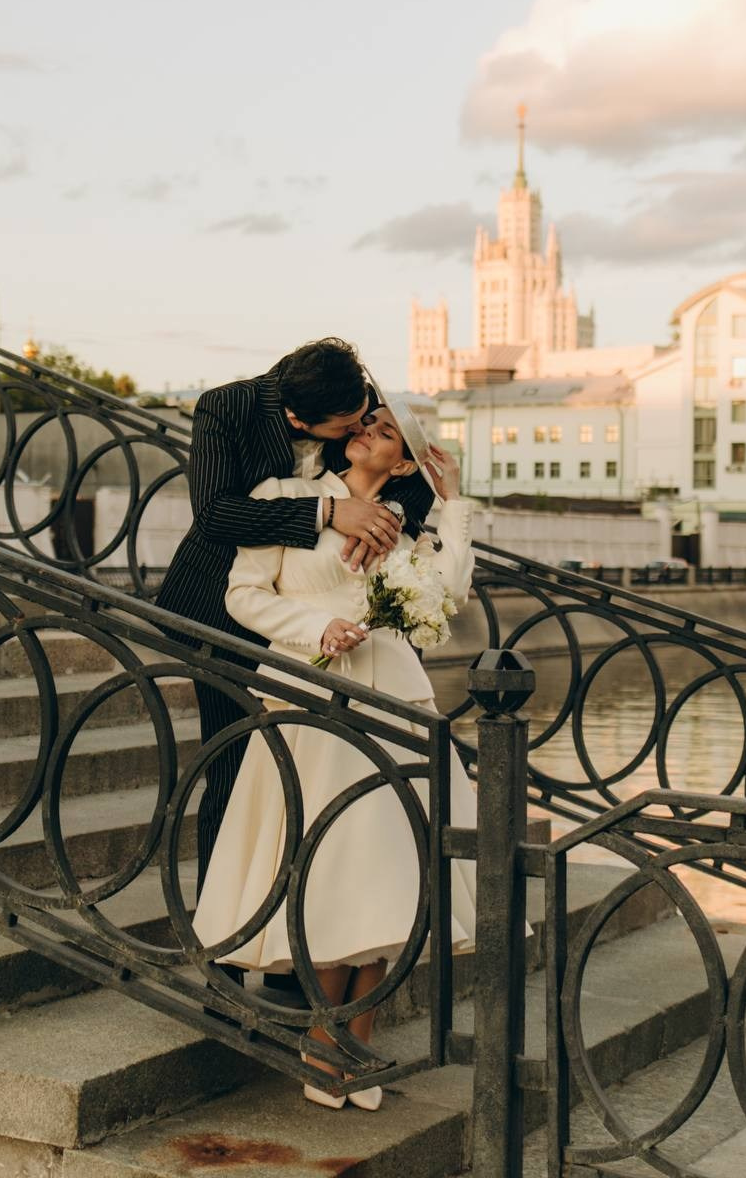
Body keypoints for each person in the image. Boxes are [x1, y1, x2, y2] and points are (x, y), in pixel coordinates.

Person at [192, 405, 479, 1111]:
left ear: (404, 463)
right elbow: (242, 595)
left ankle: (360, 1032)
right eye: (366, 423)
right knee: (322, 865)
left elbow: (450, 595)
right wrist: (318, 624)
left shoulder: (405, 525)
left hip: (393, 708)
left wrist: (455, 506)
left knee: (389, 871)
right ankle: (323, 1039)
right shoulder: (284, 499)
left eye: (383, 433)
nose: (365, 433)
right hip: (312, 697)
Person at [156, 339, 434, 906]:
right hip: (224, 612)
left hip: (327, 620)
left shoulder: (347, 393)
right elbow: (215, 514)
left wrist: (385, 519)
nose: (361, 430)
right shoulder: (223, 408)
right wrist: (328, 511)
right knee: (237, 777)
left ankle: (295, 948)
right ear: (298, 419)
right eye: (350, 426)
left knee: (317, 789)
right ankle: (225, 950)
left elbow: (412, 475)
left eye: (366, 420)